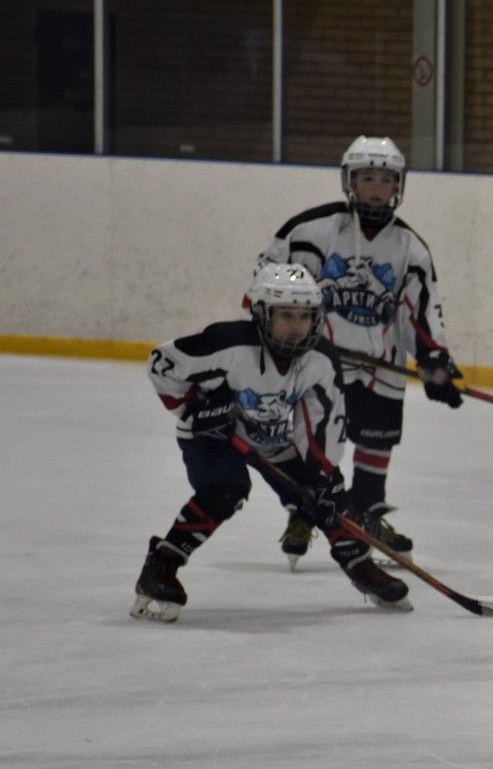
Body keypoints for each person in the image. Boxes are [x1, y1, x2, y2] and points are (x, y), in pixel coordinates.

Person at [132, 263, 410, 623]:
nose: (297, 326)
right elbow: (161, 364)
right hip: (213, 434)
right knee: (225, 489)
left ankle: (361, 567)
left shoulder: (321, 360)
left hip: (273, 437)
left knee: (329, 495)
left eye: (305, 316)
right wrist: (195, 409)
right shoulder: (228, 343)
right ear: (262, 315)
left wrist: (323, 476)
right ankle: (162, 565)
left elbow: (320, 421)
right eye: (286, 316)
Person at [257, 135, 462, 566]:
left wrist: (434, 360)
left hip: (379, 363)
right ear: (350, 181)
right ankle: (302, 511)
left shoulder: (410, 248)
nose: (375, 188)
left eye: (384, 180)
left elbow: (420, 312)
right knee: (316, 439)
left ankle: (368, 512)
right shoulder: (311, 231)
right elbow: (271, 286)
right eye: (366, 178)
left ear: (397, 186)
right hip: (319, 364)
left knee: (376, 441)